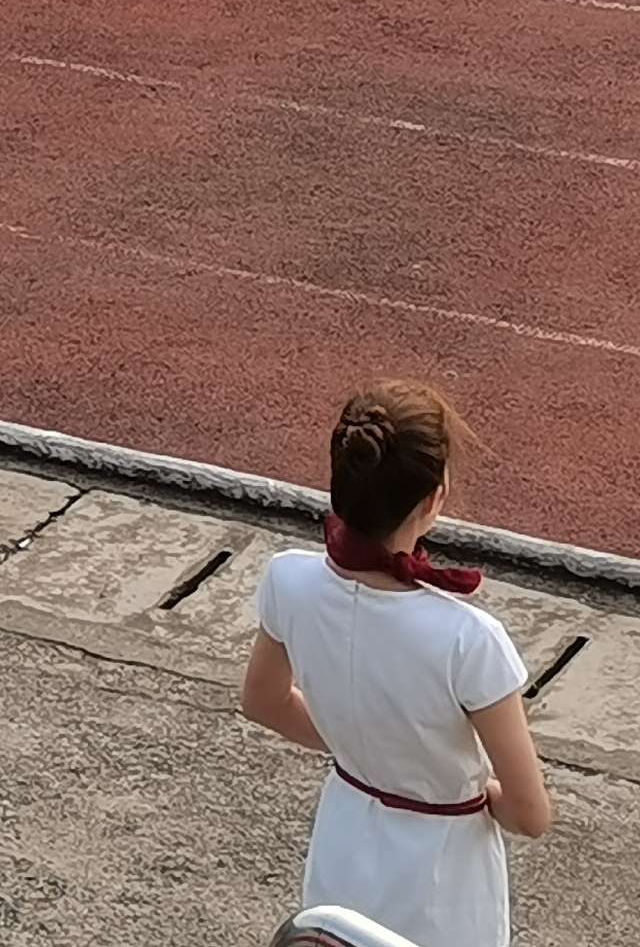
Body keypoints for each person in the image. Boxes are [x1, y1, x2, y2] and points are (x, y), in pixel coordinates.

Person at [239, 381, 547, 947]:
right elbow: (530, 813)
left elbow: (263, 701)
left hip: (343, 840)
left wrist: (364, 742)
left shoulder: (288, 579)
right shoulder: (469, 638)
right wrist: (460, 786)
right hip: (445, 882)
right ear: (433, 500)